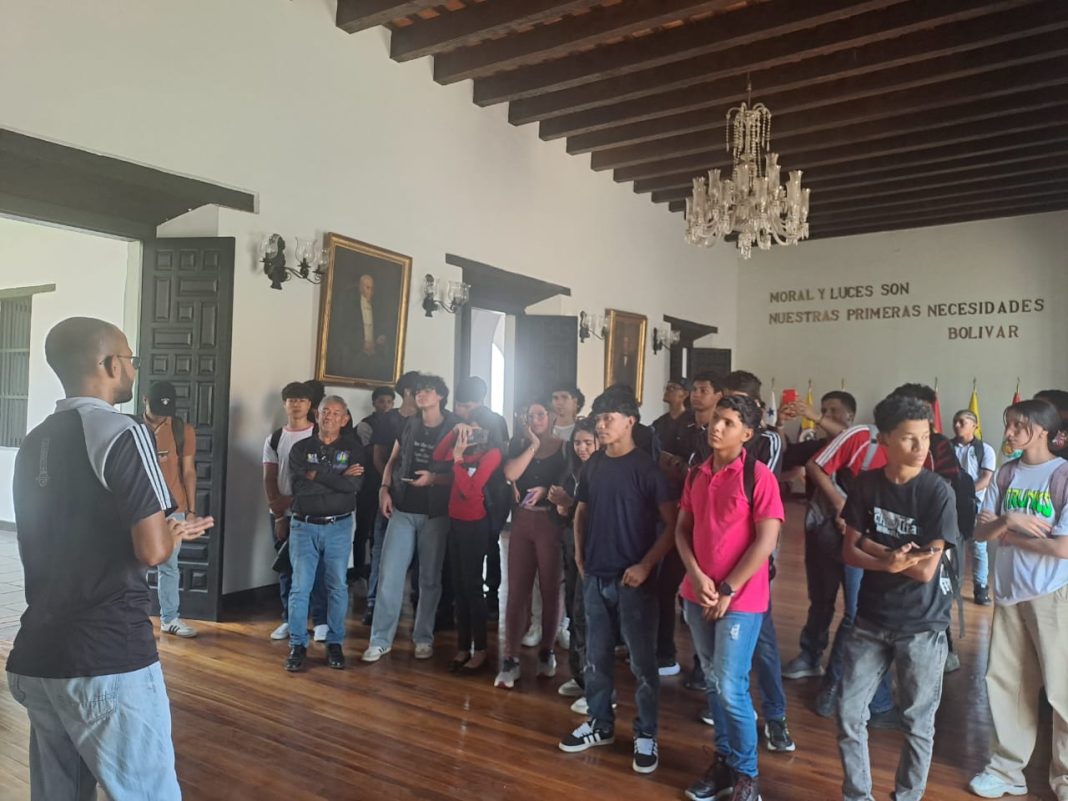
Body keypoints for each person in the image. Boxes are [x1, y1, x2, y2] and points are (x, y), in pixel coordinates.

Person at [6, 316, 213, 800]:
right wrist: (170, 535)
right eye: (130, 359)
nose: (134, 370)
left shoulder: (34, 440)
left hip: (39, 654)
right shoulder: (123, 431)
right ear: (109, 364)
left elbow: (65, 537)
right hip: (106, 655)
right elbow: (152, 550)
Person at [837, 393, 958, 801]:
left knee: (917, 722)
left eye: (925, 436)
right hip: (871, 618)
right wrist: (886, 559)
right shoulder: (867, 485)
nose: (921, 447)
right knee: (849, 713)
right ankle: (858, 795)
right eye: (909, 438)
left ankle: (908, 796)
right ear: (884, 439)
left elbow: (925, 570)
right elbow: (848, 550)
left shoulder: (937, 492)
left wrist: (876, 549)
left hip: (922, 624)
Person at [558, 389, 677, 774]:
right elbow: (581, 510)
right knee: (596, 657)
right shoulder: (593, 465)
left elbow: (673, 525)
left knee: (642, 663)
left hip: (633, 581)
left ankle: (646, 732)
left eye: (609, 418)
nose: (601, 424)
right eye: (598, 418)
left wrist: (645, 565)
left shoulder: (647, 470)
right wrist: (580, 555)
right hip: (595, 573)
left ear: (630, 422)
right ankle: (600, 722)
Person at [676, 395, 784, 801]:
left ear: (747, 433)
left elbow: (765, 542)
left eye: (728, 422)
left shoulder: (758, 477)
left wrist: (727, 588)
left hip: (740, 598)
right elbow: (682, 530)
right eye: (715, 420)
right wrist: (695, 574)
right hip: (697, 593)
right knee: (712, 680)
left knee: (730, 685)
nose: (716, 427)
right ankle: (723, 762)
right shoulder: (696, 473)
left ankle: (746, 774)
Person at [968, 398, 1068, 801]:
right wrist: (1009, 520)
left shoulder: (1062, 476)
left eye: (1018, 426)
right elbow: (979, 533)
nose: (1008, 433)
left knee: (1061, 690)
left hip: (1052, 595)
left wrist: (1007, 534)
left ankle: (1065, 778)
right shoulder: (1006, 473)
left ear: (1042, 430)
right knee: (1007, 683)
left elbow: (1063, 548)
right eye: (1007, 424)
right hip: (1008, 593)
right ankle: (1007, 770)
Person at [719, 370, 795, 753]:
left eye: (738, 404)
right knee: (720, 642)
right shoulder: (711, 441)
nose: (722, 420)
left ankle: (775, 714)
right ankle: (730, 705)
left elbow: (760, 486)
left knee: (762, 636)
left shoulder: (768, 441)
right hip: (717, 556)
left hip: (753, 552)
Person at [364, 374, 459, 662]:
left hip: (436, 512)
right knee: (390, 575)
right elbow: (393, 459)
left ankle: (423, 637)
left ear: (440, 396)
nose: (421, 395)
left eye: (427, 390)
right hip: (403, 508)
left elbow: (462, 472)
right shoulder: (408, 424)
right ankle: (380, 640)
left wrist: (434, 479)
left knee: (429, 578)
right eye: (418, 391)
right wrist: (384, 488)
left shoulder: (455, 427)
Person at [284, 396, 366, 672]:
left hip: (339, 526)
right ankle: (297, 644)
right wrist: (338, 479)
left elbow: (354, 486)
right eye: (325, 412)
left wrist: (316, 475)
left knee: (337, 586)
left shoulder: (354, 449)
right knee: (300, 587)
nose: (330, 417)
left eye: (336, 413)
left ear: (345, 419)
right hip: (303, 526)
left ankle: (335, 643)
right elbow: (298, 488)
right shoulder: (300, 448)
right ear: (317, 415)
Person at [495, 398, 567, 688]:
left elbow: (570, 485)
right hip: (522, 522)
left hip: (550, 523)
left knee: (550, 589)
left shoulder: (564, 448)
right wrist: (534, 444)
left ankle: (547, 651)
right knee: (517, 590)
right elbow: (511, 473)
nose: (534, 420)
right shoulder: (519, 444)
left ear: (551, 416)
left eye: (540, 414)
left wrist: (547, 490)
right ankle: (510, 657)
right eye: (529, 415)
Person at [432, 406, 503, 672]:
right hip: (456, 522)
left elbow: (471, 490)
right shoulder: (463, 449)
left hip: (476, 524)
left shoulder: (492, 454)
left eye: (477, 429)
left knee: (473, 587)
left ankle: (481, 649)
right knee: (459, 586)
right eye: (470, 427)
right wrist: (454, 434)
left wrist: (458, 461)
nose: (473, 433)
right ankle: (463, 646)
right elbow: (438, 455)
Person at [263, 381, 328, 642]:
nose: (296, 404)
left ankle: (321, 620)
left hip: (313, 512)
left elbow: (322, 478)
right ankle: (290, 619)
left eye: (301, 400)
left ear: (310, 404)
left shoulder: (320, 435)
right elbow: (269, 477)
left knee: (318, 568)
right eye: (291, 400)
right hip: (284, 513)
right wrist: (278, 513)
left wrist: (291, 499)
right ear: (284, 404)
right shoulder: (275, 438)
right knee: (286, 567)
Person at [143, 380, 199, 638]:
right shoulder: (132, 428)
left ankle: (169, 619)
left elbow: (188, 471)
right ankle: (134, 618)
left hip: (173, 507)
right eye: (157, 409)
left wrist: (191, 510)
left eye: (166, 409)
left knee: (169, 565)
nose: (161, 415)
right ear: (145, 400)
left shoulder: (181, 430)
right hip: (140, 506)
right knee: (134, 566)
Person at [549, 418, 598, 711]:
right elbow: (565, 515)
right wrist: (561, 506)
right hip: (570, 548)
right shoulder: (571, 471)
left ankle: (598, 690)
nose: (582, 448)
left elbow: (599, 515)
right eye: (577, 443)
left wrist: (569, 503)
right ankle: (580, 677)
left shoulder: (603, 472)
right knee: (573, 611)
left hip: (592, 553)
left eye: (588, 443)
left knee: (586, 618)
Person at [364, 370, 420, 625]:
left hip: (421, 498)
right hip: (389, 496)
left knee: (420, 554)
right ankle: (373, 602)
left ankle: (417, 602)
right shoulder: (389, 420)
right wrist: (389, 486)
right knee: (381, 550)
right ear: (408, 392)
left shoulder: (429, 419)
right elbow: (379, 457)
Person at [452, 376, 510, 620]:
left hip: (490, 491)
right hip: (476, 489)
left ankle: (488, 596)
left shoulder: (491, 421)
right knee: (481, 545)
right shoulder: (462, 421)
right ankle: (481, 597)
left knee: (488, 543)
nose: (462, 411)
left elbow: (501, 454)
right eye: (461, 406)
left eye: (465, 406)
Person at [951, 409, 997, 606]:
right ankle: (951, 586)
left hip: (975, 505)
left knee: (978, 547)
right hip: (951, 505)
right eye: (955, 421)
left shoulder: (985, 450)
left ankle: (981, 589)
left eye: (962, 422)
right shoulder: (946, 448)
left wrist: (965, 494)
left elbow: (986, 479)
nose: (957, 425)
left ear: (974, 426)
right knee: (952, 546)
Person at [352, 386, 395, 585]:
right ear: (374, 403)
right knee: (363, 528)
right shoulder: (365, 425)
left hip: (387, 483)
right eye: (381, 401)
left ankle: (377, 571)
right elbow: (372, 452)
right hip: (368, 483)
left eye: (389, 402)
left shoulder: (396, 422)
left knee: (382, 530)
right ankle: (359, 570)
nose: (385, 405)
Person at [652, 377, 691, 461]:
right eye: (667, 388)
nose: (667, 391)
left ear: (685, 394)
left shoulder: (692, 421)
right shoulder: (659, 422)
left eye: (672, 388)